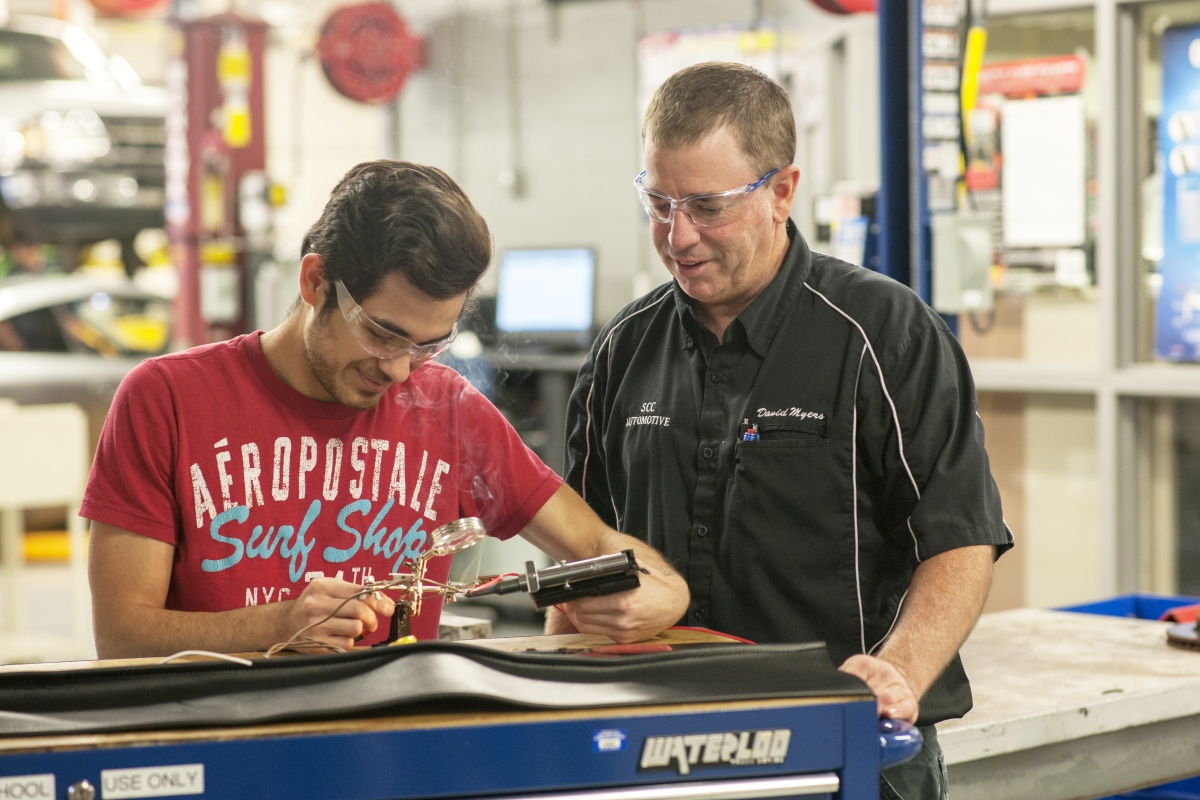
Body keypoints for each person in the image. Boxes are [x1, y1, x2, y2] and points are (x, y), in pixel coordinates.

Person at [560, 63, 1011, 800]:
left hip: (851, 748)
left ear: (781, 191)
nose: (677, 236)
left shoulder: (884, 334)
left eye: (707, 206)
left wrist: (897, 671)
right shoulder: (623, 351)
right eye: (658, 202)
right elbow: (581, 544)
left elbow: (960, 537)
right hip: (660, 749)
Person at [83, 161, 689, 659]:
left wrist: (668, 593)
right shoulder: (165, 400)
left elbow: (597, 545)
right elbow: (121, 636)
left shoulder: (448, 410)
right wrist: (278, 624)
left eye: (429, 345)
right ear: (316, 282)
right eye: (382, 333)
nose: (400, 370)